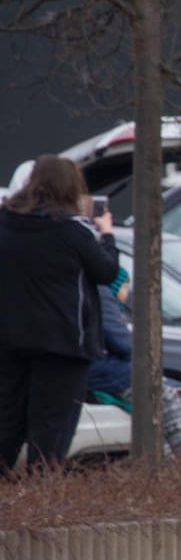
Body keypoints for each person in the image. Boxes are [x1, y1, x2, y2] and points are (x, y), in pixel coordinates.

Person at [0, 155, 120, 474]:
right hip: (63, 342)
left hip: (10, 339)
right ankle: (42, 497)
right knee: (51, 426)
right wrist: (106, 234)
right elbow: (106, 272)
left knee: (8, 418)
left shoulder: (5, 222)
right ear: (70, 187)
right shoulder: (72, 230)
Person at [86, 270, 181, 458]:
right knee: (165, 399)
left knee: (156, 412)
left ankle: (172, 466)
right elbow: (123, 344)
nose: (127, 292)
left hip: (96, 372)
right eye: (125, 286)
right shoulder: (102, 295)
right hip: (104, 375)